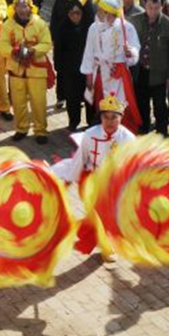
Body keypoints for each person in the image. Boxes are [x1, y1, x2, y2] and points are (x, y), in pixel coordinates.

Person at [51, 94, 136, 261]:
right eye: (106, 117)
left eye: (114, 117)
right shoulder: (90, 134)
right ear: (101, 118)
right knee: (100, 214)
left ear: (121, 118)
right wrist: (68, 180)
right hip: (94, 180)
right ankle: (107, 246)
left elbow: (134, 164)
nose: (110, 122)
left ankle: (105, 239)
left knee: (112, 215)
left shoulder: (128, 138)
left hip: (116, 182)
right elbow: (80, 158)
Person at [80, 0, 142, 133]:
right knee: (103, 105)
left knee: (121, 105)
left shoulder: (126, 27)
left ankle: (123, 134)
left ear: (109, 13)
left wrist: (129, 52)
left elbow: (135, 48)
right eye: (99, 10)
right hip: (101, 73)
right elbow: (89, 52)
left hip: (119, 74)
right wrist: (89, 75)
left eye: (102, 10)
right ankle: (105, 133)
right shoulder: (93, 28)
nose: (99, 13)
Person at [0, 0, 52, 143]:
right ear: (14, 8)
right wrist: (13, 52)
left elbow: (47, 43)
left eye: (25, 6)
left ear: (31, 7)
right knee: (18, 102)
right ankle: (21, 128)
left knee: (39, 102)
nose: (22, 9)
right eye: (19, 6)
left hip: (37, 70)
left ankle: (40, 131)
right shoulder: (7, 25)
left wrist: (32, 51)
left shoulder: (40, 24)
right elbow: (2, 45)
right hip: (16, 71)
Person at [129, 0, 169, 136]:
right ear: (144, 5)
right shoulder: (134, 21)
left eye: (156, 8)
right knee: (142, 104)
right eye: (150, 7)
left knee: (160, 106)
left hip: (160, 74)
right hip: (139, 72)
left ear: (161, 6)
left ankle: (161, 132)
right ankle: (144, 128)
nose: (153, 11)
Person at [50, 0, 93, 111]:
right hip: (63, 37)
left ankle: (79, 96)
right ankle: (61, 96)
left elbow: (89, 16)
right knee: (63, 70)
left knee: (80, 69)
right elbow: (54, 17)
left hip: (81, 37)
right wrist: (54, 36)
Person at [55, 0, 94, 131]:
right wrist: (59, 68)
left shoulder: (90, 27)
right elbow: (58, 50)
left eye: (78, 13)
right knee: (72, 98)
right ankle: (74, 122)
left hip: (88, 68)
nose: (75, 16)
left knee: (89, 97)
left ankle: (91, 122)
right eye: (72, 13)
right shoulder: (62, 28)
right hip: (69, 70)